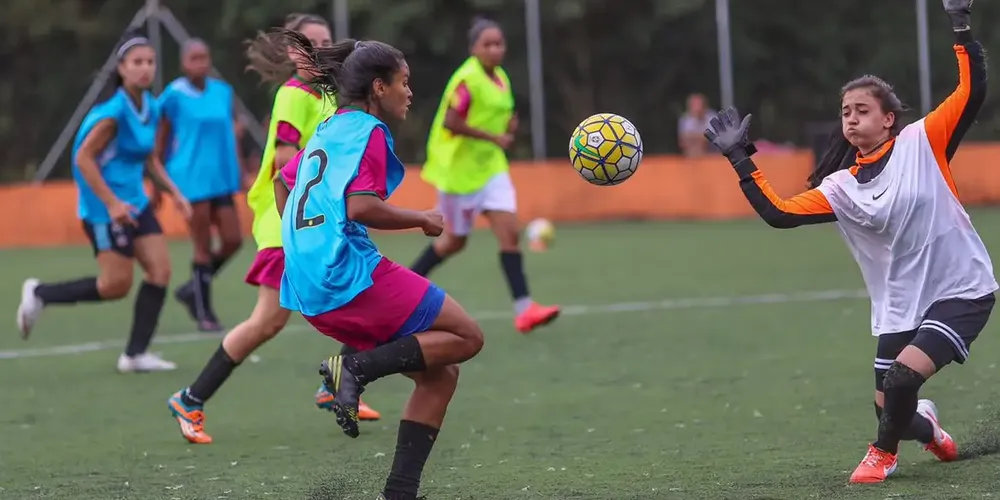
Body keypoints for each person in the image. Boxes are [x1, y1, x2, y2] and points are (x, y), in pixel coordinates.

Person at [704, 0, 991, 484]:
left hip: (961, 288)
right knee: (890, 407)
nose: (852, 118)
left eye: (862, 110)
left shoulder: (925, 140)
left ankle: (882, 454)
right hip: (901, 305)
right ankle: (930, 432)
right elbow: (779, 213)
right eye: (845, 112)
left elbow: (972, 89)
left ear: (888, 120)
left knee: (901, 381)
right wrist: (739, 155)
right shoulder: (841, 188)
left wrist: (960, 26)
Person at [270, 31, 485, 500]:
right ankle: (354, 370)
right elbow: (361, 207)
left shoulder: (330, 127)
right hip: (345, 272)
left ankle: (399, 492)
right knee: (468, 337)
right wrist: (422, 220)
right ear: (378, 88)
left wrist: (300, 240)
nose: (410, 92)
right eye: (403, 82)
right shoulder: (368, 131)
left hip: (307, 278)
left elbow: (282, 182)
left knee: (441, 375)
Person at [167, 14, 381, 446]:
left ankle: (335, 384)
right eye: (311, 43)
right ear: (293, 53)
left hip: (310, 221)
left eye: (326, 41)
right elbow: (288, 161)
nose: (321, 48)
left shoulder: (326, 96)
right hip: (285, 222)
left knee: (364, 288)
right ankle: (190, 398)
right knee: (267, 321)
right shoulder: (293, 95)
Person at [16, 32, 192, 373]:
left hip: (135, 203)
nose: (144, 69)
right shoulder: (112, 114)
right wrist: (111, 204)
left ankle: (135, 355)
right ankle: (40, 293)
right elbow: (83, 159)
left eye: (150, 62)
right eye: (136, 62)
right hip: (103, 208)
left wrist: (176, 194)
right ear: (121, 69)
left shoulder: (151, 108)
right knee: (115, 286)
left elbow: (150, 159)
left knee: (160, 271)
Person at [409, 17, 560, 334]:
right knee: (453, 242)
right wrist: (494, 138)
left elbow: (498, 119)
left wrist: (507, 130)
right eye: (487, 44)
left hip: (491, 169)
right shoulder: (467, 80)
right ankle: (406, 288)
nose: (494, 49)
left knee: (510, 232)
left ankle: (525, 310)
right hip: (460, 175)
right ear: (474, 48)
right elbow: (452, 121)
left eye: (499, 43)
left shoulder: (501, 78)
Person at [156, 38, 243, 332]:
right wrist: (156, 183)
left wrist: (240, 170)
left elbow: (230, 134)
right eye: (194, 58)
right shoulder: (173, 95)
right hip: (189, 177)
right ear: (183, 62)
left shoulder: (222, 92)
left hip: (221, 175)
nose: (201, 63)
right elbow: (161, 137)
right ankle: (205, 313)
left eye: (204, 57)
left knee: (233, 240)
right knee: (202, 245)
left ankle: (191, 289)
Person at [677, 93, 716, 157]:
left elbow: (713, 137)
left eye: (699, 105)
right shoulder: (685, 119)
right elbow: (682, 140)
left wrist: (696, 138)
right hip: (692, 150)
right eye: (694, 105)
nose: (697, 108)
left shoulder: (711, 117)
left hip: (711, 150)